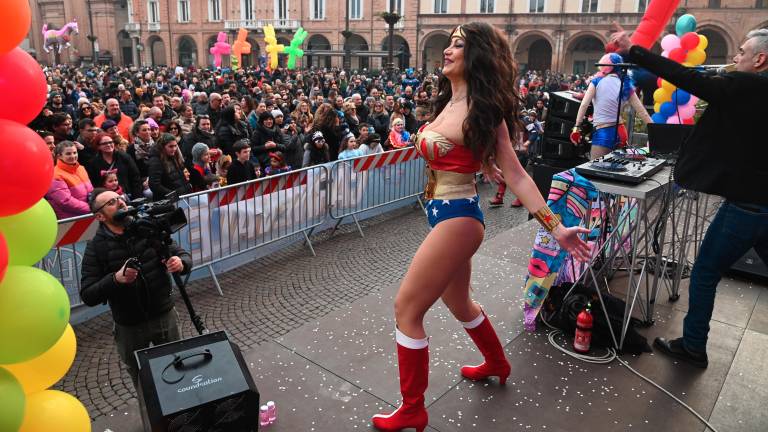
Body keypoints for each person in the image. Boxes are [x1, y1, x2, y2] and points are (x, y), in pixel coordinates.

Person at [370, 23, 590, 432]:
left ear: (477, 58)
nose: (448, 51)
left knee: (407, 309)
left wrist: (557, 228)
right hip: (442, 215)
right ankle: (497, 362)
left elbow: (519, 177)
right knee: (460, 304)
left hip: (459, 219)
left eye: (458, 45)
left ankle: (413, 407)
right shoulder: (449, 104)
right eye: (449, 44)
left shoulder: (484, 113)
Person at [611, 25, 768, 368]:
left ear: (760, 59)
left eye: (741, 52)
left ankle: (694, 346)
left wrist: (634, 50)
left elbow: (685, 77)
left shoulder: (747, 85)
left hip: (748, 205)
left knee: (705, 272)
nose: (734, 57)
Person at [79, 187, 191, 390]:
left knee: (177, 369)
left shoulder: (146, 227)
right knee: (142, 380)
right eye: (111, 202)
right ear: (100, 216)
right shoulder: (96, 247)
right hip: (129, 326)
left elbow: (182, 254)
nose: (120, 202)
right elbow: (88, 294)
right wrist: (116, 279)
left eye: (119, 198)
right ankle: (152, 418)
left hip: (163, 314)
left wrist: (180, 263)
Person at [571, 52, 652, 159]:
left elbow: (584, 105)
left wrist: (576, 127)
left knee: (596, 171)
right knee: (617, 171)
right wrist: (654, 132)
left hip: (603, 133)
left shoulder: (596, 81)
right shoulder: (625, 84)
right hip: (621, 132)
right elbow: (642, 111)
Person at [45, 141, 95, 219]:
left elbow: (91, 190)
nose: (73, 156)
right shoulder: (55, 175)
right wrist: (91, 208)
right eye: (68, 154)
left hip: (88, 214)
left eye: (75, 152)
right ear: (59, 156)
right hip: (71, 219)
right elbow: (65, 202)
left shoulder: (81, 168)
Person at [87, 132, 142, 200]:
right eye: (104, 143)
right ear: (98, 146)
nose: (109, 145)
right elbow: (94, 183)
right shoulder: (93, 163)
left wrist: (137, 198)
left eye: (110, 142)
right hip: (107, 199)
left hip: (128, 196)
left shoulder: (124, 157)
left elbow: (135, 177)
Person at [147, 133, 192, 200]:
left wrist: (187, 187)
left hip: (181, 197)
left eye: (175, 146)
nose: (174, 149)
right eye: (170, 146)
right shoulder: (156, 160)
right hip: (168, 201)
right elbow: (154, 185)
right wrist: (172, 194)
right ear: (163, 146)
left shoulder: (174, 156)